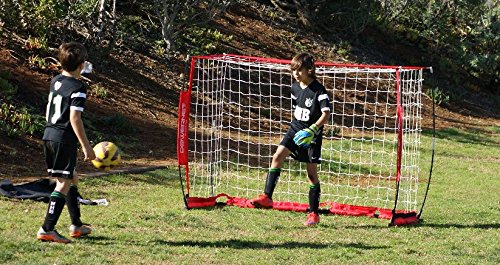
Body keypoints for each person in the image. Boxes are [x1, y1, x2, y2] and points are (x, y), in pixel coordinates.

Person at [249, 52, 331, 226]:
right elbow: (297, 108)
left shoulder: (319, 91)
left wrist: (312, 130)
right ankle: (267, 197)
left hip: (311, 136)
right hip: (294, 130)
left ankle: (314, 213)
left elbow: (326, 115)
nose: (296, 74)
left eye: (299, 70)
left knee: (311, 175)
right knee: (277, 157)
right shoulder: (294, 87)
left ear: (310, 69)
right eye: (294, 70)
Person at [36, 42, 96, 243]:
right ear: (81, 65)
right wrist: (86, 146)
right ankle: (47, 228)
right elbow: (75, 119)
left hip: (49, 135)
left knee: (72, 177)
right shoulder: (79, 87)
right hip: (63, 138)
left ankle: (76, 225)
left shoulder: (56, 80)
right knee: (63, 183)